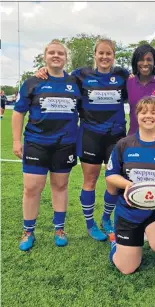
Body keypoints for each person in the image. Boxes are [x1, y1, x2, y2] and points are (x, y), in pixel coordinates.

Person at [36, 38, 129, 242]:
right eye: (101, 53)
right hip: (90, 135)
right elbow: (59, 78)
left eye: (109, 53)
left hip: (116, 136)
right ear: (94, 54)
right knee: (90, 180)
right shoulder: (80, 75)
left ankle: (106, 218)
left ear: (114, 56)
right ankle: (90, 224)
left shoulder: (122, 75)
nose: (105, 57)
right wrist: (44, 70)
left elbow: (142, 84)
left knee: (114, 181)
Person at [12, 39, 82, 251]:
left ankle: (59, 229)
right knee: (32, 188)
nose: (56, 56)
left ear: (66, 58)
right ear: (45, 57)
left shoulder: (76, 82)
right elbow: (18, 112)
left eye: (60, 53)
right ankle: (28, 231)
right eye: (51, 52)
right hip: (36, 143)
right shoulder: (33, 81)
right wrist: (16, 141)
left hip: (65, 144)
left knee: (60, 186)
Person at [106, 97, 155, 274]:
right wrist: (128, 184)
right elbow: (111, 175)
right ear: (136, 116)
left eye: (154, 112)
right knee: (126, 268)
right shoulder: (124, 144)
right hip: (128, 210)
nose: (148, 116)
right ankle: (117, 244)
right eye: (143, 112)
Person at [127, 44, 155, 136]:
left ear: (154, 62)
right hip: (134, 139)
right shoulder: (129, 82)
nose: (145, 63)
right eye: (141, 59)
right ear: (136, 62)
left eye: (149, 60)